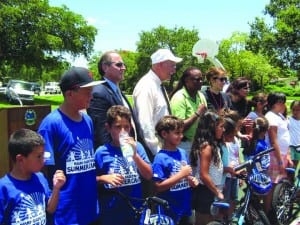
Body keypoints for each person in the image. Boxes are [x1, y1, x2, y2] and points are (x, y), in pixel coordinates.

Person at [38, 67, 102, 225]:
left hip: (90, 209)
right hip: (66, 213)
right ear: (70, 94)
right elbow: (43, 170)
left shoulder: (87, 121)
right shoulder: (51, 124)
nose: (91, 95)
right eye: (87, 91)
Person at [94, 105, 152, 225]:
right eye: (118, 127)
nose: (123, 132)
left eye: (126, 127)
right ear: (108, 128)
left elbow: (148, 175)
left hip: (135, 208)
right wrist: (103, 178)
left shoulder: (138, 147)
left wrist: (135, 155)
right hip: (112, 210)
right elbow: (90, 179)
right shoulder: (101, 152)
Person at [0, 128, 66, 225]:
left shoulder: (40, 178)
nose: (43, 160)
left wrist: (56, 188)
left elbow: (50, 209)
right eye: (39, 156)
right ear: (21, 159)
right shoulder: (4, 188)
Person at [133, 48, 182, 157]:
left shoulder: (158, 85)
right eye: (172, 66)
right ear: (160, 65)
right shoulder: (146, 86)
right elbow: (145, 123)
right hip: (154, 151)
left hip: (163, 147)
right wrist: (158, 152)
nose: (174, 70)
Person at [87, 51, 141, 149]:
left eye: (124, 65)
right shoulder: (99, 93)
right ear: (105, 67)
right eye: (119, 65)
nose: (123, 68)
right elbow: (101, 133)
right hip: (114, 156)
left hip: (129, 151)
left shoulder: (117, 90)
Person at [152, 115, 198, 225]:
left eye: (181, 133)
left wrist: (191, 180)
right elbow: (158, 186)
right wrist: (181, 175)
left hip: (186, 208)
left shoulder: (182, 153)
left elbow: (186, 176)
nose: (181, 136)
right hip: (169, 211)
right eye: (177, 133)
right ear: (164, 134)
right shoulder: (160, 158)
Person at [190, 111, 224, 225]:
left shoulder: (213, 144)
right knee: (203, 221)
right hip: (204, 191)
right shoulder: (207, 148)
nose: (223, 130)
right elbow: (204, 175)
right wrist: (217, 192)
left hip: (209, 190)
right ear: (212, 127)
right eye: (221, 127)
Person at [264, 92, 293, 218]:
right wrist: (280, 160)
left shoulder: (280, 116)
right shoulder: (271, 116)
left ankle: (274, 209)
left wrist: (287, 156)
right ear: (275, 103)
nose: (284, 104)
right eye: (281, 102)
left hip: (282, 153)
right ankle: (267, 211)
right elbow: (273, 139)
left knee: (279, 183)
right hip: (274, 155)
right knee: (272, 184)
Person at [170, 67, 207, 158]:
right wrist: (197, 113)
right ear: (187, 81)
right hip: (184, 145)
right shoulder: (179, 98)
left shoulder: (201, 96)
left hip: (199, 142)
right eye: (197, 79)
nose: (201, 82)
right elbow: (179, 127)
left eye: (202, 79)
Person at [288, 100, 300, 168]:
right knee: (290, 166)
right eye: (293, 110)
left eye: (298, 110)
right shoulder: (288, 120)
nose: (295, 112)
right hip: (290, 147)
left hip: (298, 147)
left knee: (296, 167)